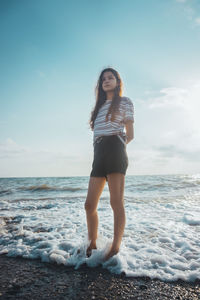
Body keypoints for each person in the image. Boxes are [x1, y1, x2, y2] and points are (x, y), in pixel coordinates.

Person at [84, 67, 134, 261]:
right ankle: (92, 243)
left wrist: (118, 147)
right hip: (99, 154)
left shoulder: (124, 102)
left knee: (115, 202)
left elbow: (130, 134)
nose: (106, 80)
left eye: (110, 77)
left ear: (117, 81)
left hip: (115, 150)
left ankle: (115, 247)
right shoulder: (97, 108)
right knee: (89, 205)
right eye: (103, 78)